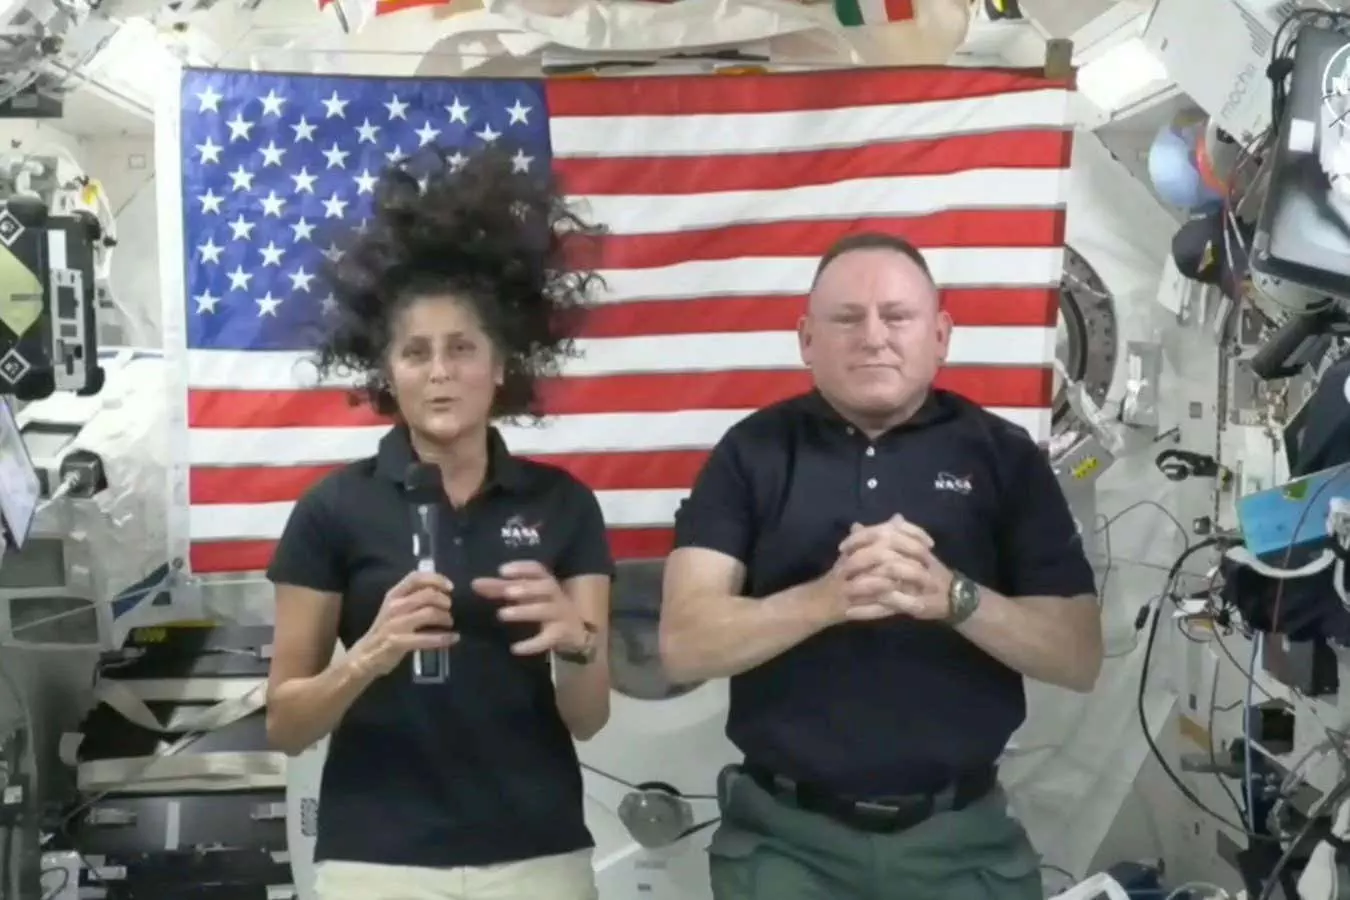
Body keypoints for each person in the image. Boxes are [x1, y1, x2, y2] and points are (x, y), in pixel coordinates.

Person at [659, 232, 1104, 900]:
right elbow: (683, 646)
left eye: (897, 316)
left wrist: (954, 597)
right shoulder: (751, 454)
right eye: (847, 318)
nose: (874, 336)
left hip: (962, 846)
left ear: (941, 335)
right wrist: (827, 600)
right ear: (807, 340)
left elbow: (1078, 656)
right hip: (786, 848)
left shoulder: (1005, 457)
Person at [264, 149, 613, 900]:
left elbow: (588, 720)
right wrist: (369, 657)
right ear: (386, 372)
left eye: (462, 348)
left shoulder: (564, 504)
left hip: (538, 854)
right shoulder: (330, 510)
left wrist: (578, 641)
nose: (441, 371)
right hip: (375, 861)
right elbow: (285, 724)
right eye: (416, 353)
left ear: (502, 365)